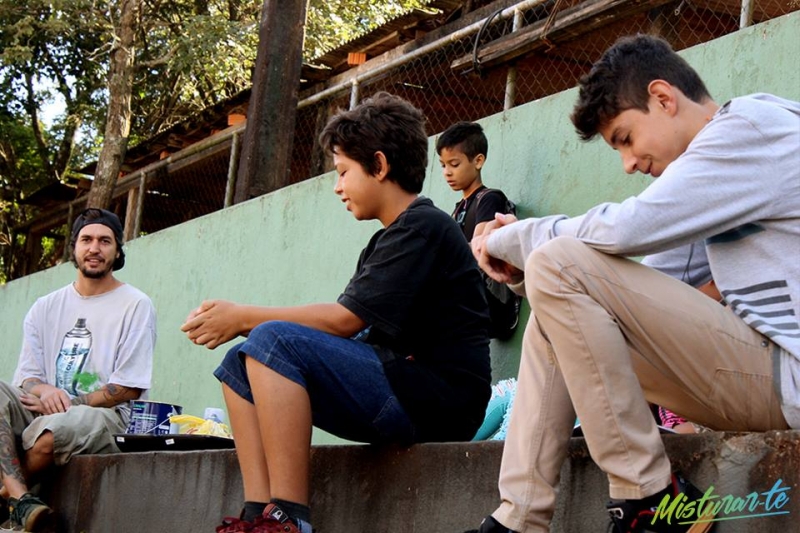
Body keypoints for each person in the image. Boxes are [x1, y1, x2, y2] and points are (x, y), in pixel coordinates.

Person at [465, 34, 799, 533]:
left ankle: (649, 497)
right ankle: (518, 519)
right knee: (559, 294)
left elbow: (624, 228)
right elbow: (609, 296)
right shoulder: (712, 182)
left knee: (559, 264)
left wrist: (510, 239)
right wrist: (523, 271)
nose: (629, 163)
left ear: (663, 98)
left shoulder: (749, 130)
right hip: (766, 380)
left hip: (788, 376)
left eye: (625, 138)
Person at [181, 92, 492, 533]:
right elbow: (350, 332)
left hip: (441, 401)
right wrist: (250, 330)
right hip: (400, 385)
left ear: (379, 166)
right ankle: (258, 514)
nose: (337, 186)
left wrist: (243, 317)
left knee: (271, 340)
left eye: (344, 171)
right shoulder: (386, 240)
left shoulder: (424, 226)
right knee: (239, 363)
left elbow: (344, 321)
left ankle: (289, 518)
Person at [0, 208, 156, 532]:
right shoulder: (45, 306)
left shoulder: (136, 304)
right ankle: (19, 499)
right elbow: (27, 377)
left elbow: (128, 388)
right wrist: (46, 391)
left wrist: (68, 403)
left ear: (118, 251)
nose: (94, 248)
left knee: (52, 432)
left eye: (104, 241)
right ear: (73, 248)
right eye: (86, 240)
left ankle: (9, 497)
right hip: (42, 406)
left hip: (108, 415)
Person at [437, 121, 522, 340]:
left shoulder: (489, 198)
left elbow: (475, 252)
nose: (447, 173)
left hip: (494, 303)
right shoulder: (458, 210)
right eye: (443, 165)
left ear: (478, 161)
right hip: (465, 301)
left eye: (454, 164)